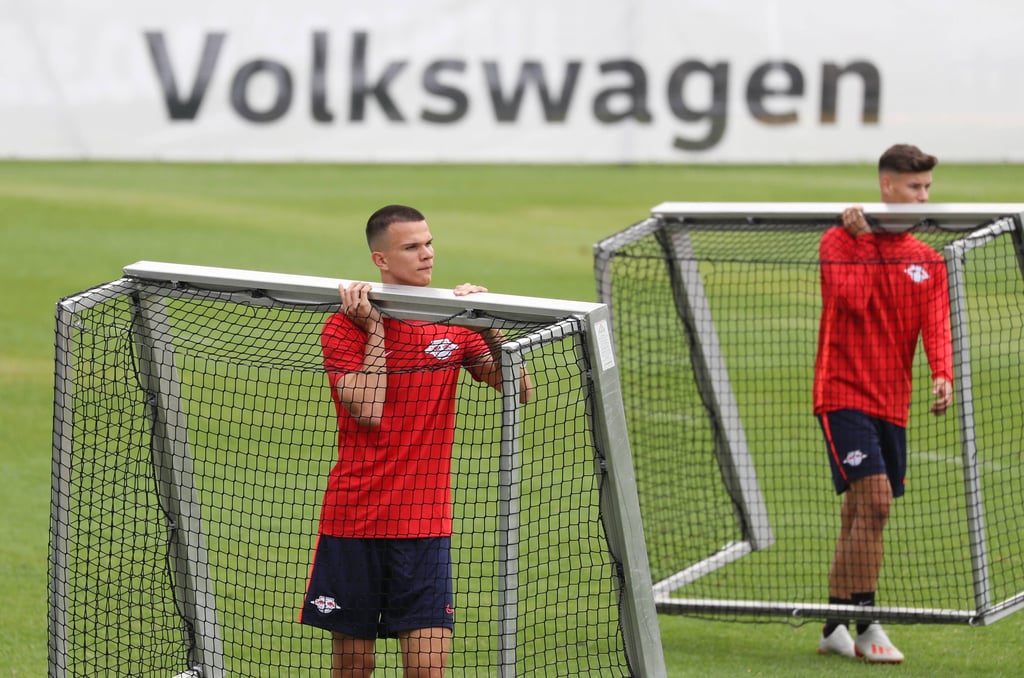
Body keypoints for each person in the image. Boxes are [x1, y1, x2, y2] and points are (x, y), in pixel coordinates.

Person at [300, 204, 534, 677]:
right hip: (354, 522)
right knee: (354, 667)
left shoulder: (453, 320)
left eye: (428, 243)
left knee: (427, 670)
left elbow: (521, 388)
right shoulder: (344, 324)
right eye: (412, 247)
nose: (427, 255)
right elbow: (367, 409)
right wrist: (376, 331)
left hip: (425, 524)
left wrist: (486, 325)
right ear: (380, 260)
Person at [813, 144, 953, 663]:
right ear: (887, 186)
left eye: (927, 188)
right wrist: (865, 244)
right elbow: (852, 300)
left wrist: (942, 372)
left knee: (860, 515)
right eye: (914, 187)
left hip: (893, 402)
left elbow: (935, 322)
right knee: (875, 503)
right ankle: (868, 622)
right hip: (842, 393)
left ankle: (833, 625)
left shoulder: (927, 259)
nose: (923, 196)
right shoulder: (838, 241)